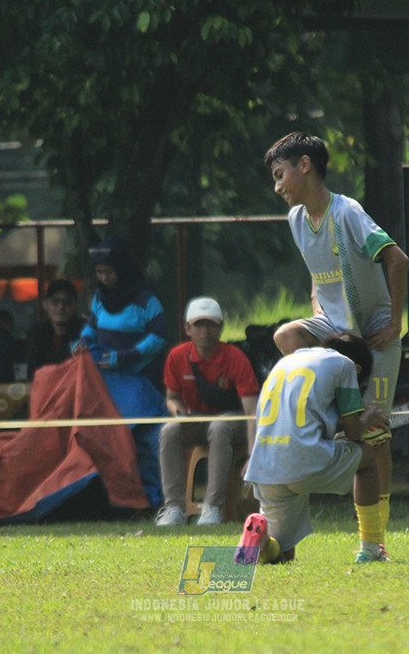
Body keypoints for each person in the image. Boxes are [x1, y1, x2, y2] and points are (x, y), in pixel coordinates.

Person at [263, 131, 409, 533]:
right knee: (285, 336)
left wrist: (394, 324)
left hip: (373, 334)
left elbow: (398, 260)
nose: (277, 187)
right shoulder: (296, 219)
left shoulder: (347, 212)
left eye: (280, 175)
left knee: (375, 436)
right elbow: (317, 272)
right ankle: (326, 409)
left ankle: (375, 537)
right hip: (334, 331)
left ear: (304, 165)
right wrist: (317, 308)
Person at [236, 333, 388, 565]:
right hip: (302, 460)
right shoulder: (345, 365)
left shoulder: (286, 362)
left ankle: (263, 541)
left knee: (283, 557)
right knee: (367, 457)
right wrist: (369, 418)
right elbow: (353, 433)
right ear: (357, 370)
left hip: (265, 465)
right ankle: (371, 548)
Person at [73, 235, 168, 508]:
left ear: (123, 269)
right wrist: (83, 343)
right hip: (109, 385)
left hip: (141, 385)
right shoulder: (100, 298)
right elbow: (92, 328)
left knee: (146, 443)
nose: (104, 278)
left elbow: (159, 336)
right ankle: (124, 502)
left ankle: (157, 500)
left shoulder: (146, 299)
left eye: (109, 272)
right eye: (99, 272)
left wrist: (126, 357)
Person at [155, 297, 260, 526]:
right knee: (169, 431)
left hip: (235, 421)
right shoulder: (176, 356)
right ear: (188, 328)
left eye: (211, 324)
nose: (205, 331)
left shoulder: (235, 358)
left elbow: (252, 411)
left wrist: (253, 454)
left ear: (220, 327)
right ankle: (174, 508)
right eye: (199, 324)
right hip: (198, 419)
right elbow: (172, 398)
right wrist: (179, 412)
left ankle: (213, 507)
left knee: (219, 427)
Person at [25, 279, 86, 379]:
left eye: (67, 302)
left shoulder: (85, 331)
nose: (61, 307)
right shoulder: (37, 333)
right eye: (55, 301)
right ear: (45, 304)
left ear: (76, 304)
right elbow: (33, 373)